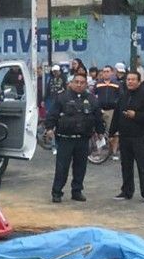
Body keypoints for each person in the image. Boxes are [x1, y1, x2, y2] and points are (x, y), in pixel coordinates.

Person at [45, 73, 105, 203]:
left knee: (80, 167)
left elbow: (98, 117)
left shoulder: (91, 99)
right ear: (71, 83)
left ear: (86, 84)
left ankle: (77, 191)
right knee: (62, 168)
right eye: (76, 82)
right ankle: (57, 192)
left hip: (83, 139)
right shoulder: (62, 97)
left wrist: (100, 132)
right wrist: (49, 128)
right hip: (65, 138)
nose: (79, 84)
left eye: (82, 82)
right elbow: (52, 115)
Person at [110, 70, 144, 203]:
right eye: (128, 79)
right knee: (126, 165)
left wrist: (136, 115)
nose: (130, 82)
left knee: (143, 166)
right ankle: (127, 191)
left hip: (140, 137)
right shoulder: (123, 96)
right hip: (125, 137)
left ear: (139, 81)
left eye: (133, 79)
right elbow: (116, 115)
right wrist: (112, 133)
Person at [94, 64, 121, 159]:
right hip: (100, 110)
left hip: (112, 111)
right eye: (104, 71)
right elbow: (94, 96)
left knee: (114, 132)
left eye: (107, 71)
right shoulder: (98, 84)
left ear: (112, 72)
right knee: (99, 131)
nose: (105, 73)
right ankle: (99, 152)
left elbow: (120, 97)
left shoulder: (117, 84)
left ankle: (114, 153)